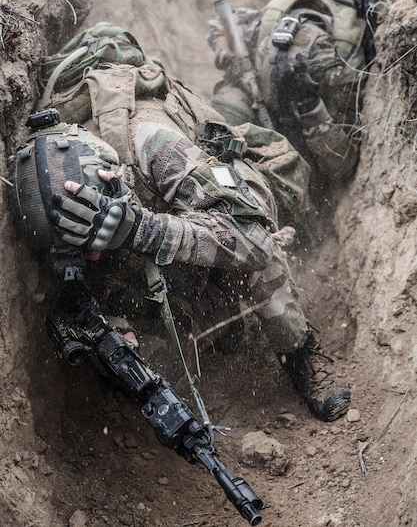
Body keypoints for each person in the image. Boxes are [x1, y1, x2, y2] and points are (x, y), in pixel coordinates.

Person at [8, 21, 350, 422]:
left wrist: (143, 230)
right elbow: (72, 289)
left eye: (91, 241)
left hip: (225, 207)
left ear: (114, 182)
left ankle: (299, 352)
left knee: (255, 255)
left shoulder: (155, 144)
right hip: (150, 229)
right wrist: (113, 325)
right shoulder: (44, 195)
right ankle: (210, 315)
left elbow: (253, 238)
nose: (92, 256)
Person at [207, 0, 379, 185]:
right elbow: (219, 24)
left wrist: (309, 106)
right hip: (255, 102)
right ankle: (216, 178)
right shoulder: (268, 21)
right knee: (226, 107)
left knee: (298, 176)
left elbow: (343, 166)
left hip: (304, 131)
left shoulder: (342, 70)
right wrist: (225, 53)